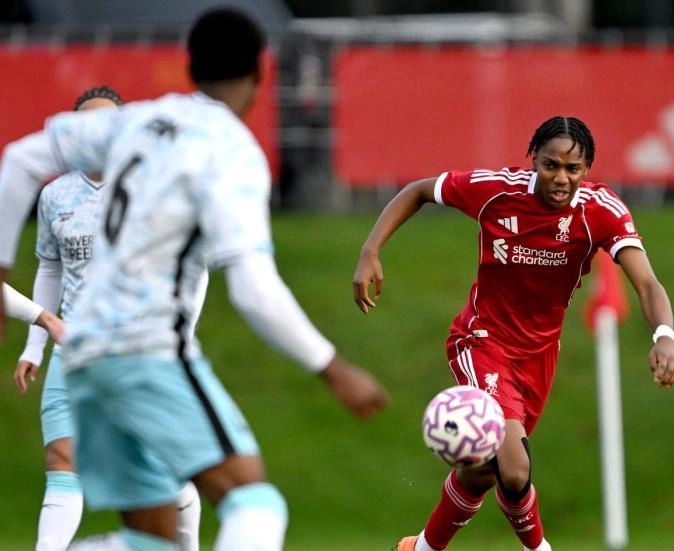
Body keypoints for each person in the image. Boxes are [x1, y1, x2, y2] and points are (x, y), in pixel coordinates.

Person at [0, 7, 389, 551]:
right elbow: (253, 289)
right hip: (146, 351)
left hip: (84, 358)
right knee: (255, 506)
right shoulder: (231, 153)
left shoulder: (136, 121)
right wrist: (333, 367)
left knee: (155, 541)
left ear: (190, 67)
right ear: (260, 73)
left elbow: (18, 161)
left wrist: (0, 270)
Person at [353, 115, 674, 551]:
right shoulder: (497, 191)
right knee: (513, 469)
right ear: (534, 160)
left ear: (587, 170)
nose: (561, 178)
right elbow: (418, 190)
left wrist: (664, 336)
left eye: (573, 169)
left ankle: (421, 548)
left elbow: (647, 282)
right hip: (482, 341)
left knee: (483, 470)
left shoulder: (601, 212)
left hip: (539, 358)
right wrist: (369, 251)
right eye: (550, 165)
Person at [11, 86, 203, 551]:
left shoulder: (155, 187)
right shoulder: (55, 195)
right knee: (63, 459)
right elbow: (50, 268)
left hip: (142, 348)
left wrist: (181, 338)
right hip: (73, 347)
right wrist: (35, 345)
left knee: (158, 467)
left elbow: (193, 269)